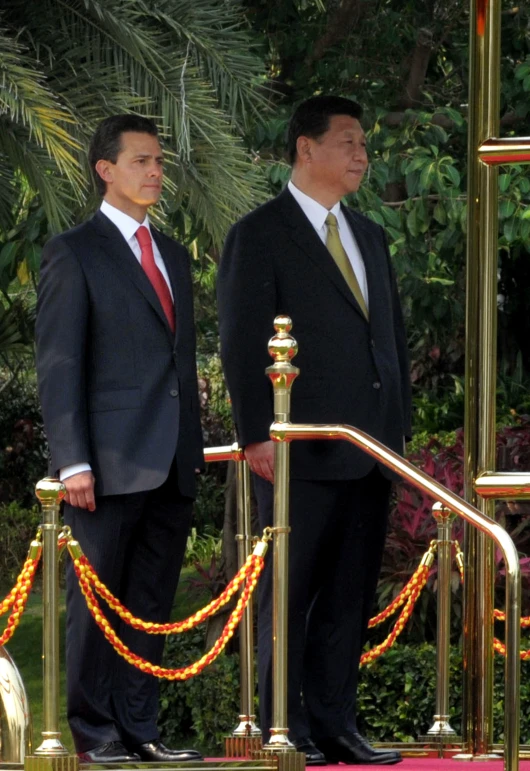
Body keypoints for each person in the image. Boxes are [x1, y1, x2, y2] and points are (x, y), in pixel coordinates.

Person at [217, 95, 411, 766]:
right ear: (307, 148)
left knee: (349, 597)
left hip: (370, 449)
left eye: (364, 143)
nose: (362, 154)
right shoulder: (260, 234)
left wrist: (397, 435)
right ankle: (286, 727)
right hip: (298, 451)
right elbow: (242, 340)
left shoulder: (371, 237)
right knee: (289, 593)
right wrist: (255, 433)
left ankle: (337, 724)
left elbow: (387, 342)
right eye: (349, 141)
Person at [35, 115, 204, 764]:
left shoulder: (176, 257)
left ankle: (141, 729)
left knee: (150, 608)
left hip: (172, 464)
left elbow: (176, 362)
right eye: (141, 160)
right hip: (103, 466)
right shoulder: (74, 251)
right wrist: (71, 457)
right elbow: (59, 364)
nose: (155, 171)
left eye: (158, 161)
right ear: (106, 170)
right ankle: (94, 731)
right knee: (98, 607)